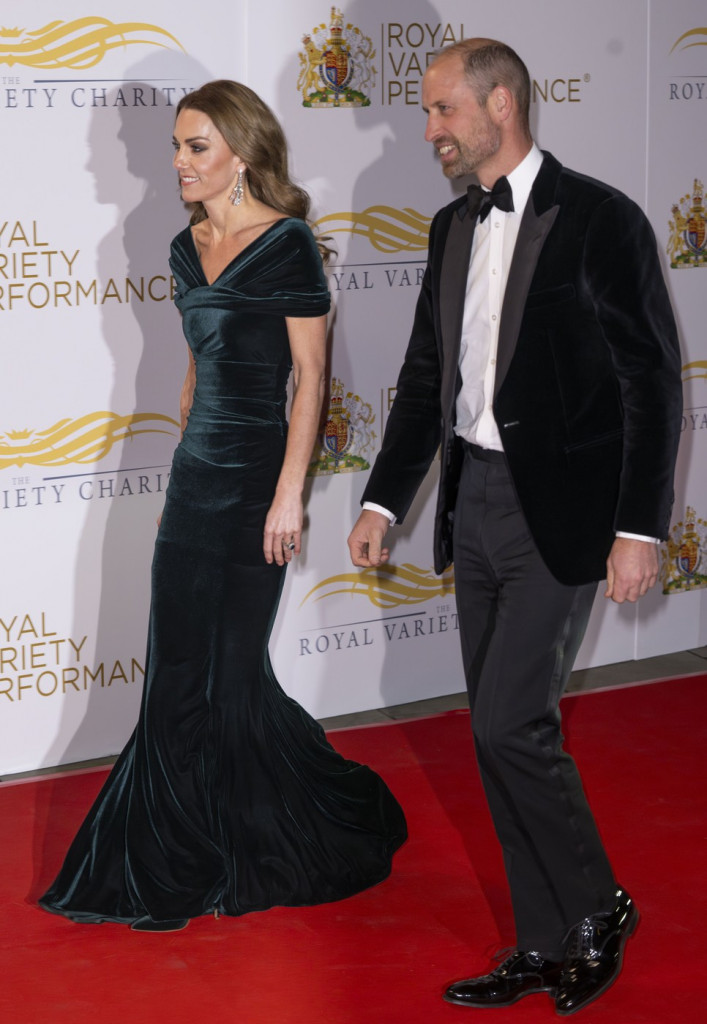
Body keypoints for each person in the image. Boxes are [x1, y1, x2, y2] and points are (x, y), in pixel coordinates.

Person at [348, 39, 682, 1016]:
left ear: (500, 103)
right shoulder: (450, 226)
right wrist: (380, 500)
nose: (429, 130)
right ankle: (542, 939)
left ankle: (598, 908)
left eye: (442, 109)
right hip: (474, 503)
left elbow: (652, 382)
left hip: (564, 512)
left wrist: (638, 526)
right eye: (424, 113)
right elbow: (424, 378)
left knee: (508, 722)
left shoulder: (601, 217)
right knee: (495, 733)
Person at [41, 80, 406, 932]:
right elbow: (199, 363)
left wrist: (289, 496)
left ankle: (249, 834)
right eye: (176, 145)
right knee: (174, 669)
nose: (178, 161)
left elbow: (310, 378)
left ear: (240, 154)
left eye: (195, 146)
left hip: (254, 489)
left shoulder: (286, 244)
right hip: (194, 481)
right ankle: (170, 852)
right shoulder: (185, 247)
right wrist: (186, 445)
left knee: (231, 674)